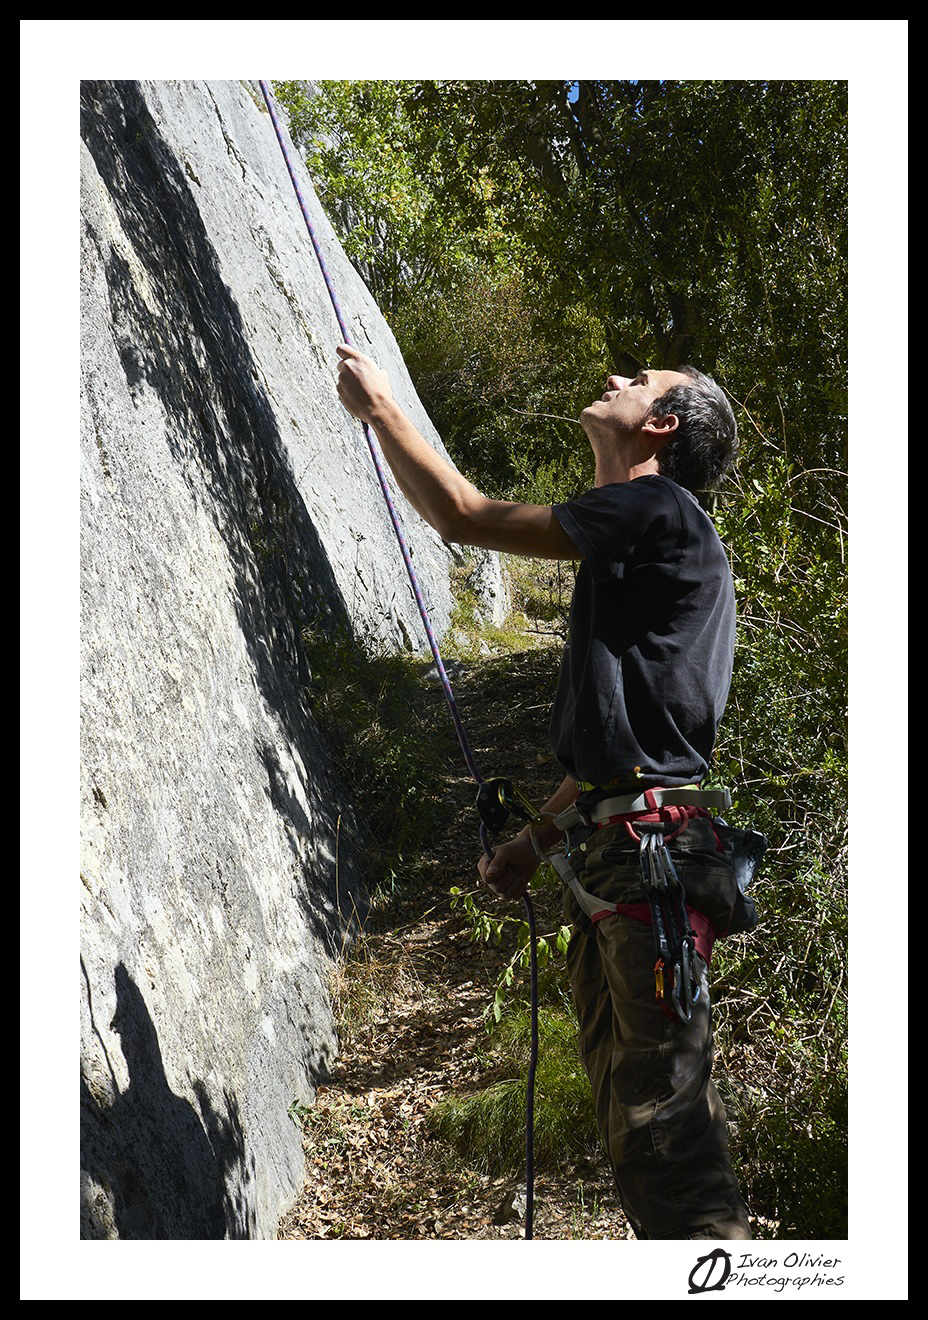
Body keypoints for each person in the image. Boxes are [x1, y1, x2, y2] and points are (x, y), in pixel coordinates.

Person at [336, 343, 753, 1240]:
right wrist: (536, 841)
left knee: (667, 1134)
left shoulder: (659, 509)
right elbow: (621, 757)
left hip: (652, 867)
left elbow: (463, 515)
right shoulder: (633, 540)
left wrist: (382, 411)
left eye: (638, 383)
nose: (614, 377)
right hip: (630, 859)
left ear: (661, 426)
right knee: (636, 1129)